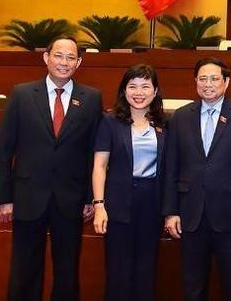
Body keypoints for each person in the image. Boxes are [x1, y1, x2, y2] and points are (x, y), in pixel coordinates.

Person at [0, 36, 103, 301]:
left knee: (67, 270)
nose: (64, 62)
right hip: (27, 197)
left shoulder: (92, 98)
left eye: (70, 57)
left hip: (71, 199)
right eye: (59, 55)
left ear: (79, 62)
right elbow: (4, 149)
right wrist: (3, 198)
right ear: (46, 57)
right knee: (24, 269)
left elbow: (94, 152)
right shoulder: (22, 94)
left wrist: (90, 197)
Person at [163, 57, 231, 301]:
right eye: (202, 78)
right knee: (193, 287)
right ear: (195, 81)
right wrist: (171, 211)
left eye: (215, 78)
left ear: (226, 82)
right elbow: (171, 167)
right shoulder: (181, 116)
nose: (208, 84)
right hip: (191, 216)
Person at [92, 64, 166, 301]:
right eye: (132, 86)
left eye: (146, 86)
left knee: (147, 270)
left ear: (155, 91)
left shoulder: (165, 124)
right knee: (118, 272)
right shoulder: (110, 121)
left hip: (152, 204)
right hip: (118, 204)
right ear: (124, 90)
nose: (139, 91)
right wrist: (99, 205)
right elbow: (99, 166)